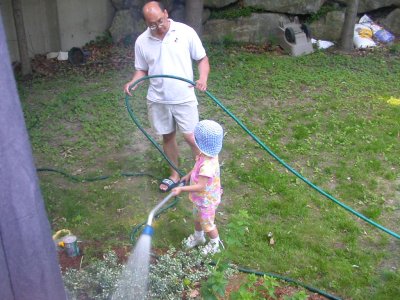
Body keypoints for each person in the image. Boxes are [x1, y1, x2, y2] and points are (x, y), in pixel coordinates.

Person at [123, 1, 210, 192]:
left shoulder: (185, 32)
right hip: (158, 99)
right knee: (168, 136)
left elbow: (202, 59)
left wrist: (202, 78)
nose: (158, 27)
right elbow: (142, 69)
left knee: (191, 137)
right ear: (146, 23)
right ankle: (175, 174)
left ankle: (204, 175)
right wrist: (133, 81)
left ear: (165, 13)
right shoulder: (142, 41)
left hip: (183, 97)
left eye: (160, 21)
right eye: (152, 24)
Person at [172, 120, 224, 255]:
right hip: (200, 200)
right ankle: (198, 237)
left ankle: (214, 244)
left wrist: (181, 189)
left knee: (208, 224)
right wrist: (189, 175)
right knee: (197, 218)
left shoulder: (208, 166)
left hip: (206, 201)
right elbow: (197, 168)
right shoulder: (207, 154)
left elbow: (201, 186)